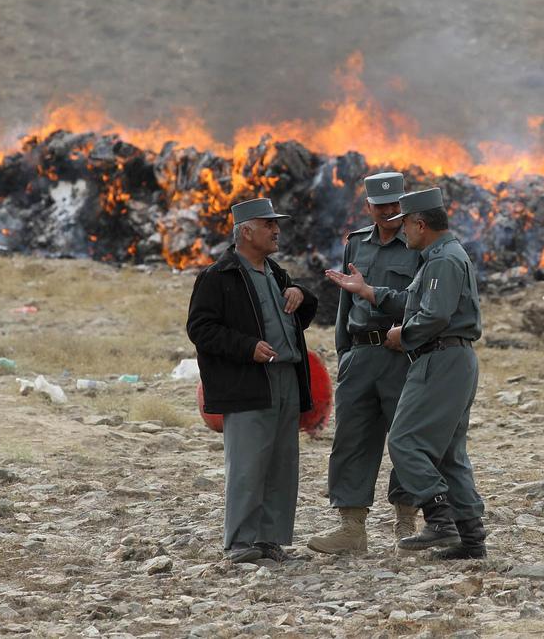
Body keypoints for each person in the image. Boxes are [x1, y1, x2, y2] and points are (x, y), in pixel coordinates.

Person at [323, 187, 487, 559]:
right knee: (448, 452)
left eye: (406, 225)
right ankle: (471, 539)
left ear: (420, 223)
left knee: (404, 441)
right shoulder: (437, 257)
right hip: (450, 359)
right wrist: (368, 292)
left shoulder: (443, 260)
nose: (403, 232)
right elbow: (412, 301)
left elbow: (435, 316)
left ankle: (440, 518)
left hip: (441, 359)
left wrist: (404, 335)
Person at [187, 197, 318, 564]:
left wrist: (301, 295)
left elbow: (297, 318)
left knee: (281, 463)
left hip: (286, 380)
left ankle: (269, 541)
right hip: (248, 382)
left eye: (276, 224)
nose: (276, 231)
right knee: (247, 464)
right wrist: (247, 347)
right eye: (268, 225)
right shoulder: (218, 276)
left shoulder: (276, 274)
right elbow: (201, 329)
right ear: (246, 231)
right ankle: (241, 543)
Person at [308, 172, 422, 555]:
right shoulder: (356, 244)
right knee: (352, 439)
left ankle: (407, 522)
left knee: (406, 439)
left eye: (396, 205)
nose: (390, 212)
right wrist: (345, 353)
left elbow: (424, 302)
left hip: (401, 355)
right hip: (360, 354)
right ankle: (351, 527)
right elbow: (345, 304)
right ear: (368, 207)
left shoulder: (419, 244)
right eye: (382, 205)